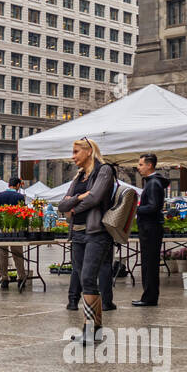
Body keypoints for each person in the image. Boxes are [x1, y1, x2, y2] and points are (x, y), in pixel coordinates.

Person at [58, 137, 116, 344]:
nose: (72, 156)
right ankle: (95, 328)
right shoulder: (79, 176)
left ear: (89, 151)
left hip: (97, 232)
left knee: (89, 278)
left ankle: (90, 328)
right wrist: (78, 200)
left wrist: (74, 207)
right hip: (79, 233)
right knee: (83, 279)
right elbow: (61, 205)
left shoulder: (104, 171)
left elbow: (96, 198)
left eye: (75, 152)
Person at [134, 154, 167, 306]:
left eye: (141, 165)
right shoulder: (152, 182)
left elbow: (154, 207)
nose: (138, 167)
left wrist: (136, 209)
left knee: (149, 263)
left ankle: (149, 297)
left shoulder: (153, 183)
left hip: (150, 228)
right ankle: (148, 296)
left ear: (150, 165)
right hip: (150, 227)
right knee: (149, 263)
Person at [0, 178, 28, 290]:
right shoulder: (20, 197)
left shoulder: (0, 195)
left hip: (2, 229)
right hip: (16, 228)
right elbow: (23, 213)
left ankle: (4, 278)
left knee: (2, 253)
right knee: (17, 253)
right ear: (17, 185)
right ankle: (21, 277)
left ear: (8, 184)